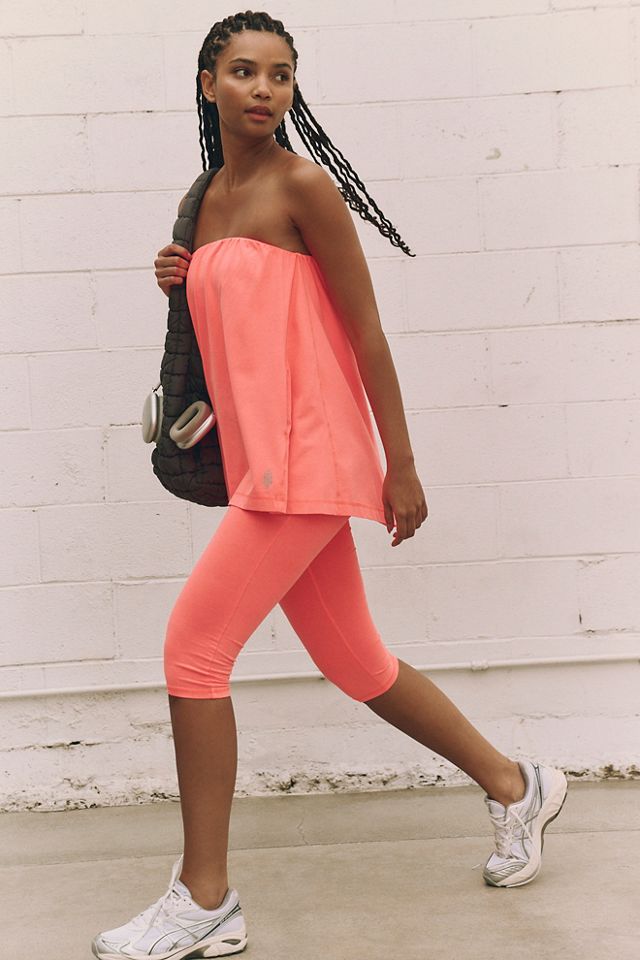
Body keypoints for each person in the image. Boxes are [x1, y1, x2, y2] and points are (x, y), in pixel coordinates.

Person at [91, 10, 568, 959]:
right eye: (243, 71)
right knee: (360, 666)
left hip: (308, 458)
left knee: (193, 653)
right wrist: (183, 277)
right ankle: (520, 786)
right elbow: (244, 322)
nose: (264, 89)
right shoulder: (204, 198)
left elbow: (366, 330)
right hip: (263, 464)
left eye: (280, 74)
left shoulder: (303, 185)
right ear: (207, 84)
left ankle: (205, 899)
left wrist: (402, 461)